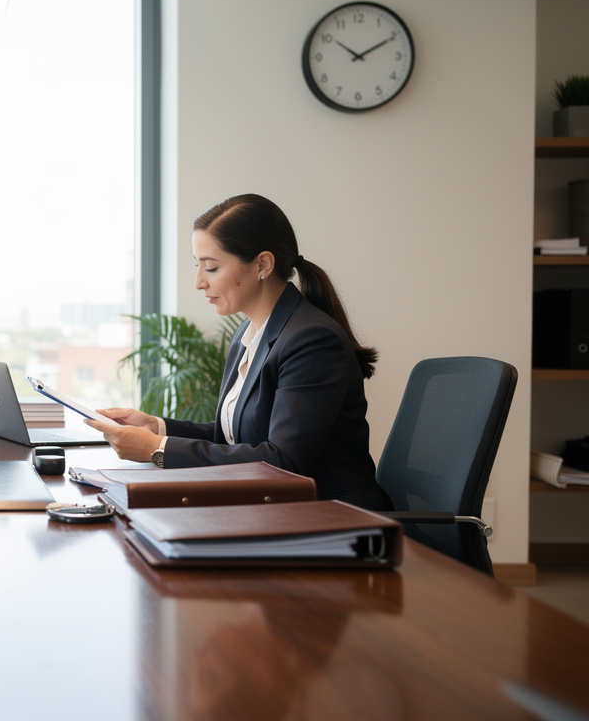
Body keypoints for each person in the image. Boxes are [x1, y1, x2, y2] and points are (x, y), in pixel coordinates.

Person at [85, 193, 393, 511]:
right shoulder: (247, 335)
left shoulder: (312, 340)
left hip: (333, 516)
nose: (198, 282)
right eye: (198, 266)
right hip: (271, 510)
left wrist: (158, 448)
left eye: (211, 267)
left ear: (262, 265)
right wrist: (156, 428)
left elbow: (283, 462)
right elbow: (234, 439)